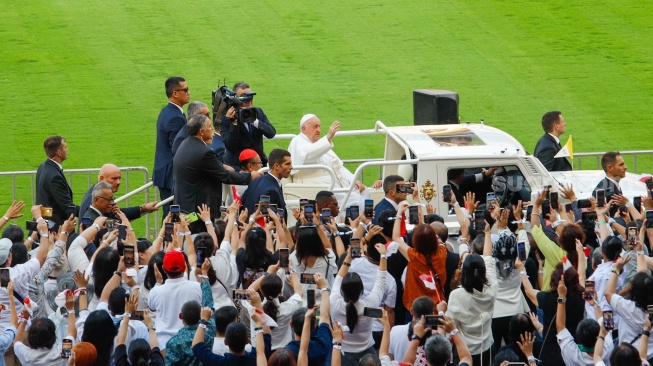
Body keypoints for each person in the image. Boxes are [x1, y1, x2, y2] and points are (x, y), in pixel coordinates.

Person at [173, 114, 261, 225]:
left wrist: (221, 166)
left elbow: (201, 166)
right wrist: (250, 176)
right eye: (210, 127)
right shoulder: (204, 152)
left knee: (187, 236)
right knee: (200, 238)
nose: (213, 129)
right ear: (201, 132)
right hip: (199, 212)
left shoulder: (186, 144)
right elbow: (224, 176)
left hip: (187, 207)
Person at [288, 114, 372, 210]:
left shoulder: (319, 143)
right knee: (360, 202)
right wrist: (327, 138)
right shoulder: (297, 141)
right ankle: (363, 223)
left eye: (319, 126)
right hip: (316, 185)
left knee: (364, 190)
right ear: (303, 128)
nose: (319, 130)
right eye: (315, 127)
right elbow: (309, 155)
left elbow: (338, 166)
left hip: (334, 183)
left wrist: (353, 180)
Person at [445, 219, 497, 366]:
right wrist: (487, 233)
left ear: (463, 273)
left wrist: (443, 313)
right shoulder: (492, 286)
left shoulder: (456, 295)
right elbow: (488, 257)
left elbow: (451, 325)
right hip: (487, 345)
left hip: (464, 349)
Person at [330, 244, 387, 365]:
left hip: (342, 354)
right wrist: (383, 255)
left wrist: (348, 258)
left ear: (341, 291)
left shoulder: (334, 302)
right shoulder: (369, 304)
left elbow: (339, 278)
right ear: (362, 290)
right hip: (368, 355)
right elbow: (381, 282)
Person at [393, 203, 448, 311]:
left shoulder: (413, 255)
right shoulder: (442, 253)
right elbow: (438, 239)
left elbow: (396, 237)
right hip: (437, 308)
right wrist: (423, 225)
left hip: (416, 309)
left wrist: (399, 213)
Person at [148, 249, 203, 350]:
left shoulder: (156, 291)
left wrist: (157, 283)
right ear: (185, 267)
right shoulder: (197, 287)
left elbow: (151, 306)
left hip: (163, 347)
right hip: (190, 344)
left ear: (164, 269)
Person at [153, 76, 190, 215]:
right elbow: (178, 148)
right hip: (171, 176)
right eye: (185, 89)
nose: (188, 92)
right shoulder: (175, 117)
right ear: (175, 93)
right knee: (173, 215)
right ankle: (167, 237)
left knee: (170, 214)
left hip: (165, 173)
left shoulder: (168, 111)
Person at [79, 164, 158, 226]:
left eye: (119, 178)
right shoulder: (92, 200)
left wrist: (143, 208)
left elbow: (115, 213)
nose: (118, 182)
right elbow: (106, 222)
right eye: (114, 178)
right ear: (101, 178)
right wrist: (122, 222)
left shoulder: (100, 195)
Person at [221, 82, 276, 170]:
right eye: (244, 98)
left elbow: (271, 133)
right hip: (238, 166)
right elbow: (230, 145)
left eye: (250, 97)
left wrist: (253, 120)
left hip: (259, 164)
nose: (248, 101)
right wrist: (234, 123)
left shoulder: (258, 112)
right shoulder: (228, 118)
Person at [192, 307, 271, 366]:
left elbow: (197, 346)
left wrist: (203, 320)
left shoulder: (218, 362)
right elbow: (266, 339)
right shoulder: (254, 358)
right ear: (248, 341)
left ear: (225, 342)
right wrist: (258, 317)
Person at [35, 135, 78, 227]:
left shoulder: (42, 166)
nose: (67, 150)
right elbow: (67, 206)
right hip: (55, 227)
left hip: (45, 220)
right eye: (65, 147)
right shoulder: (55, 177)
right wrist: (89, 210)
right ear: (59, 152)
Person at [241, 149, 292, 218]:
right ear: (276, 166)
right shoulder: (271, 191)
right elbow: (269, 220)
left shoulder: (256, 181)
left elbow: (243, 201)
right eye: (287, 164)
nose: (291, 167)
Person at [114, 297, 164, 366]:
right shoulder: (157, 364)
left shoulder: (121, 364)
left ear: (129, 356)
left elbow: (120, 340)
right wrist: (150, 325)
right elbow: (155, 345)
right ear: (150, 355)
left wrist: (127, 314)